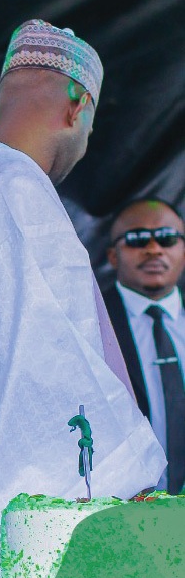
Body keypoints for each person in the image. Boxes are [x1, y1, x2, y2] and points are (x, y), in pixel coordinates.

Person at [0, 19, 166, 578]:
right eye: (91, 128)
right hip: (28, 511)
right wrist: (131, 462)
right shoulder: (16, 187)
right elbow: (58, 354)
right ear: (77, 106)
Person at [102, 199, 185, 493]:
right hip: (124, 503)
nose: (153, 249)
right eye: (137, 239)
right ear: (113, 256)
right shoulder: (91, 320)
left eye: (167, 238)